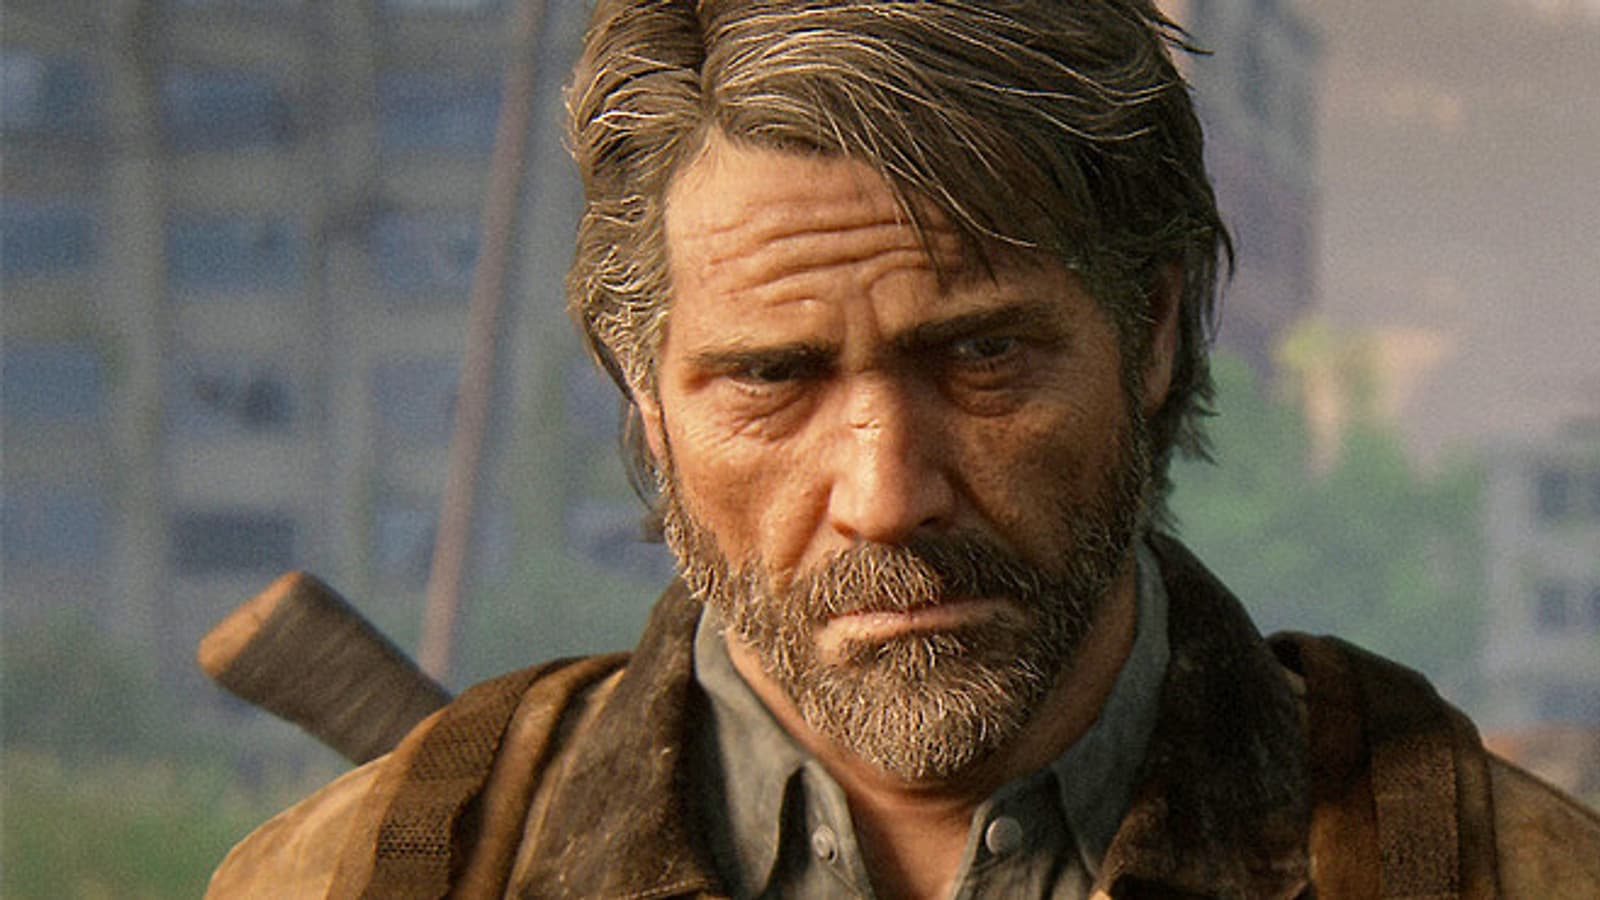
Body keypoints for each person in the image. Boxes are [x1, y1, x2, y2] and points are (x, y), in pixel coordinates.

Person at [208, 1, 1600, 897]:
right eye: (772, 378)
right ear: (644, 396)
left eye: (982, 357)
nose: (884, 497)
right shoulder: (349, 877)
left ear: (1153, 331)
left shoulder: (1512, 876)